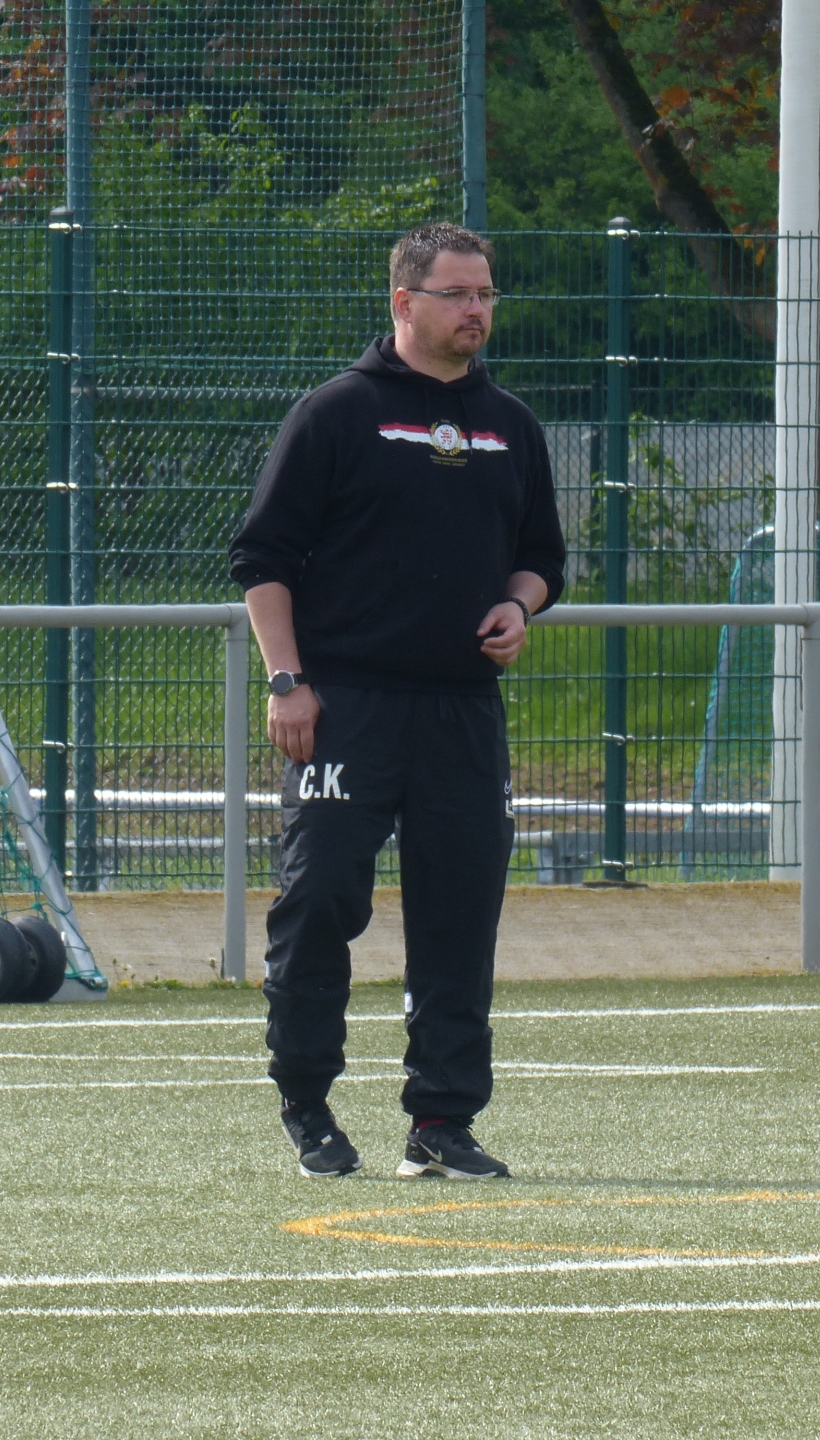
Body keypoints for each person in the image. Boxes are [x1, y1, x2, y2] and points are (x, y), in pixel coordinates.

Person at [228, 221, 566, 1181]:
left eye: (486, 293)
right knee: (320, 900)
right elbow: (263, 559)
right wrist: (287, 681)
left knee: (460, 913)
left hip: (462, 715)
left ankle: (441, 1122)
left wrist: (518, 605)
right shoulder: (337, 412)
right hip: (347, 707)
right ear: (404, 303)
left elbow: (543, 558)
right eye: (458, 294)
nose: (477, 311)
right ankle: (307, 1103)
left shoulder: (510, 425)